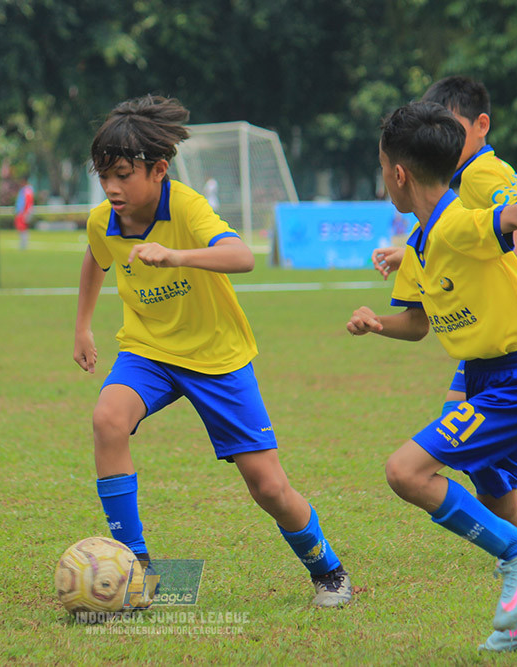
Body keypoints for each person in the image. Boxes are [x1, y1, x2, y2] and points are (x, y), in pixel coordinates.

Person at [350, 101, 517, 651]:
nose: (385, 180)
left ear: (397, 174)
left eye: (382, 169)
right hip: (483, 378)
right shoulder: (422, 241)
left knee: (405, 471)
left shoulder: (454, 225)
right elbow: (417, 324)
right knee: (495, 492)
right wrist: (378, 323)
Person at [73, 95, 352, 609]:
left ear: (158, 170)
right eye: (103, 175)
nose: (111, 187)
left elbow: (242, 256)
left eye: (121, 175)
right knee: (108, 419)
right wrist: (83, 326)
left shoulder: (185, 206)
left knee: (268, 487)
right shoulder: (102, 219)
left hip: (217, 356)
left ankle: (327, 569)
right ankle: (139, 569)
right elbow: (96, 258)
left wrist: (174, 254)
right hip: (149, 349)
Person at [13, 177, 34, 250]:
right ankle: (22, 243)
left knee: (23, 227)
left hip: (23, 212)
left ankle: (24, 244)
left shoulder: (27, 190)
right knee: (20, 227)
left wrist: (27, 212)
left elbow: (28, 201)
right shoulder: (23, 190)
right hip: (20, 211)